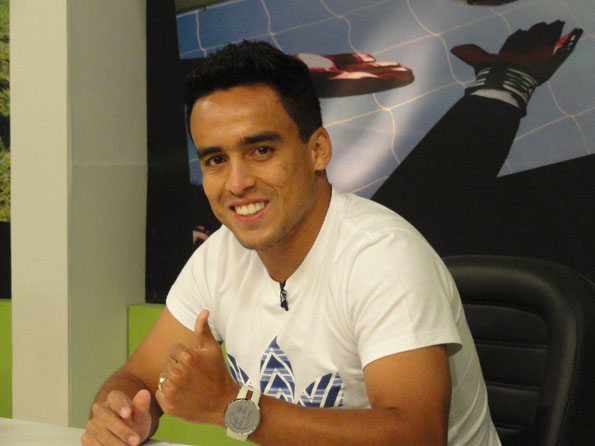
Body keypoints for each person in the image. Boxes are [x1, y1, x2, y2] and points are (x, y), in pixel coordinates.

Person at [82, 41, 501, 446]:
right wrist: (121, 416)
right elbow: (138, 378)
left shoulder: (385, 257)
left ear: (318, 150)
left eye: (261, 150)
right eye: (216, 160)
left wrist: (229, 405)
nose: (237, 183)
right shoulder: (219, 256)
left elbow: (417, 437)